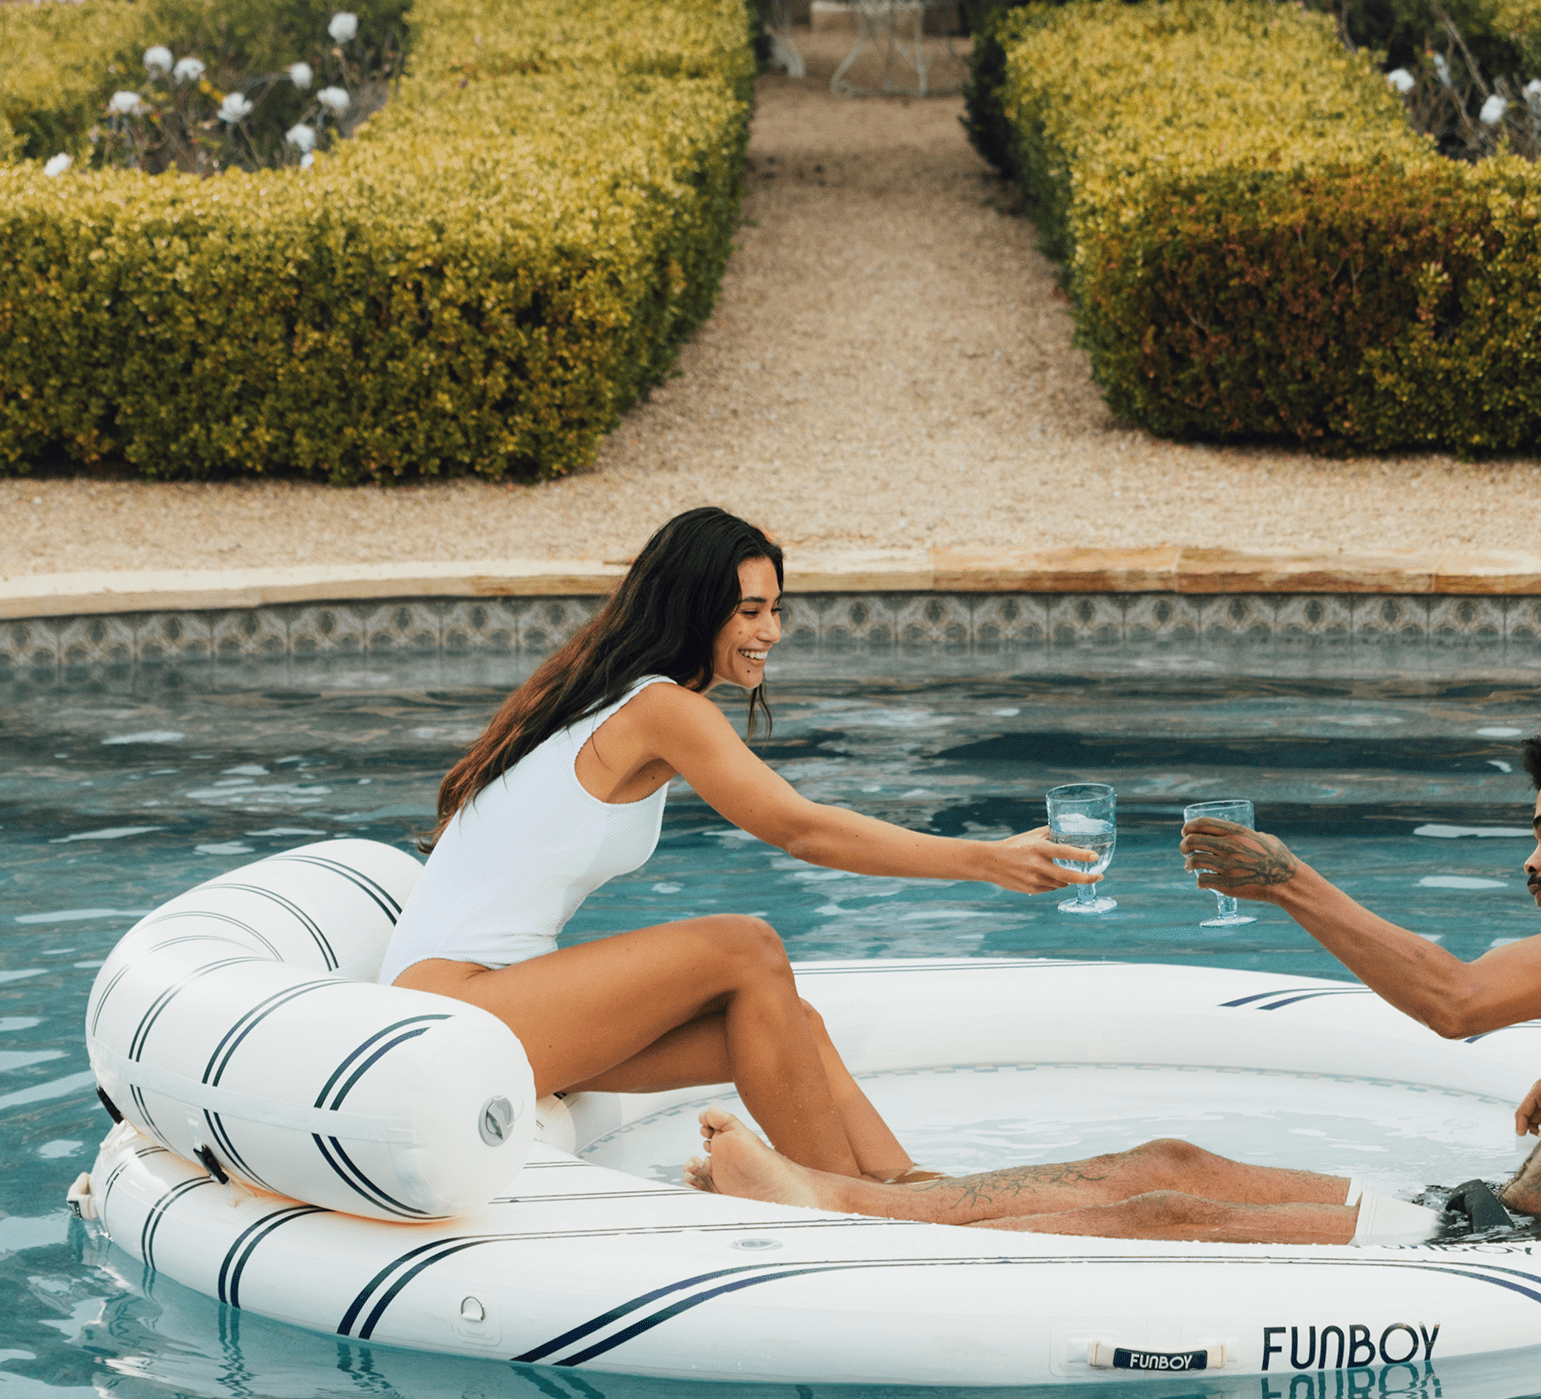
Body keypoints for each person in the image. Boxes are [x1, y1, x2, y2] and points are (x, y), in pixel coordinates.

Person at [689, 704, 1541, 1242]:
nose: (1530, 859)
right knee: (1167, 1160)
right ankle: (894, 1192)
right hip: (1479, 1217)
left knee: (1166, 1206)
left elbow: (1456, 1002)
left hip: (1511, 1254)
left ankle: (830, 1203)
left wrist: (1286, 880)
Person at [382, 506, 1098, 1182]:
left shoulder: (615, 694)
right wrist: (984, 860)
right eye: (750, 610)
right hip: (453, 1011)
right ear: (693, 610)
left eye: (776, 608)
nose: (772, 631)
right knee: (744, 946)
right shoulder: (661, 707)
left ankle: (910, 1186)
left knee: (791, 1023)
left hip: (498, 999)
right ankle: (848, 1211)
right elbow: (801, 829)